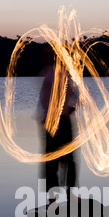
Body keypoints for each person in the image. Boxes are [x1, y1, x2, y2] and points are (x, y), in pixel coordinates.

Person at [37, 47, 79, 204]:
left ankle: (66, 195)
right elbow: (45, 99)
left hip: (61, 121)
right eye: (44, 54)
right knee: (53, 161)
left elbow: (75, 94)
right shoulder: (47, 72)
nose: (45, 57)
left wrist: (68, 110)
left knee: (65, 160)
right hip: (51, 122)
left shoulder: (60, 72)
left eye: (48, 54)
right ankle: (55, 198)